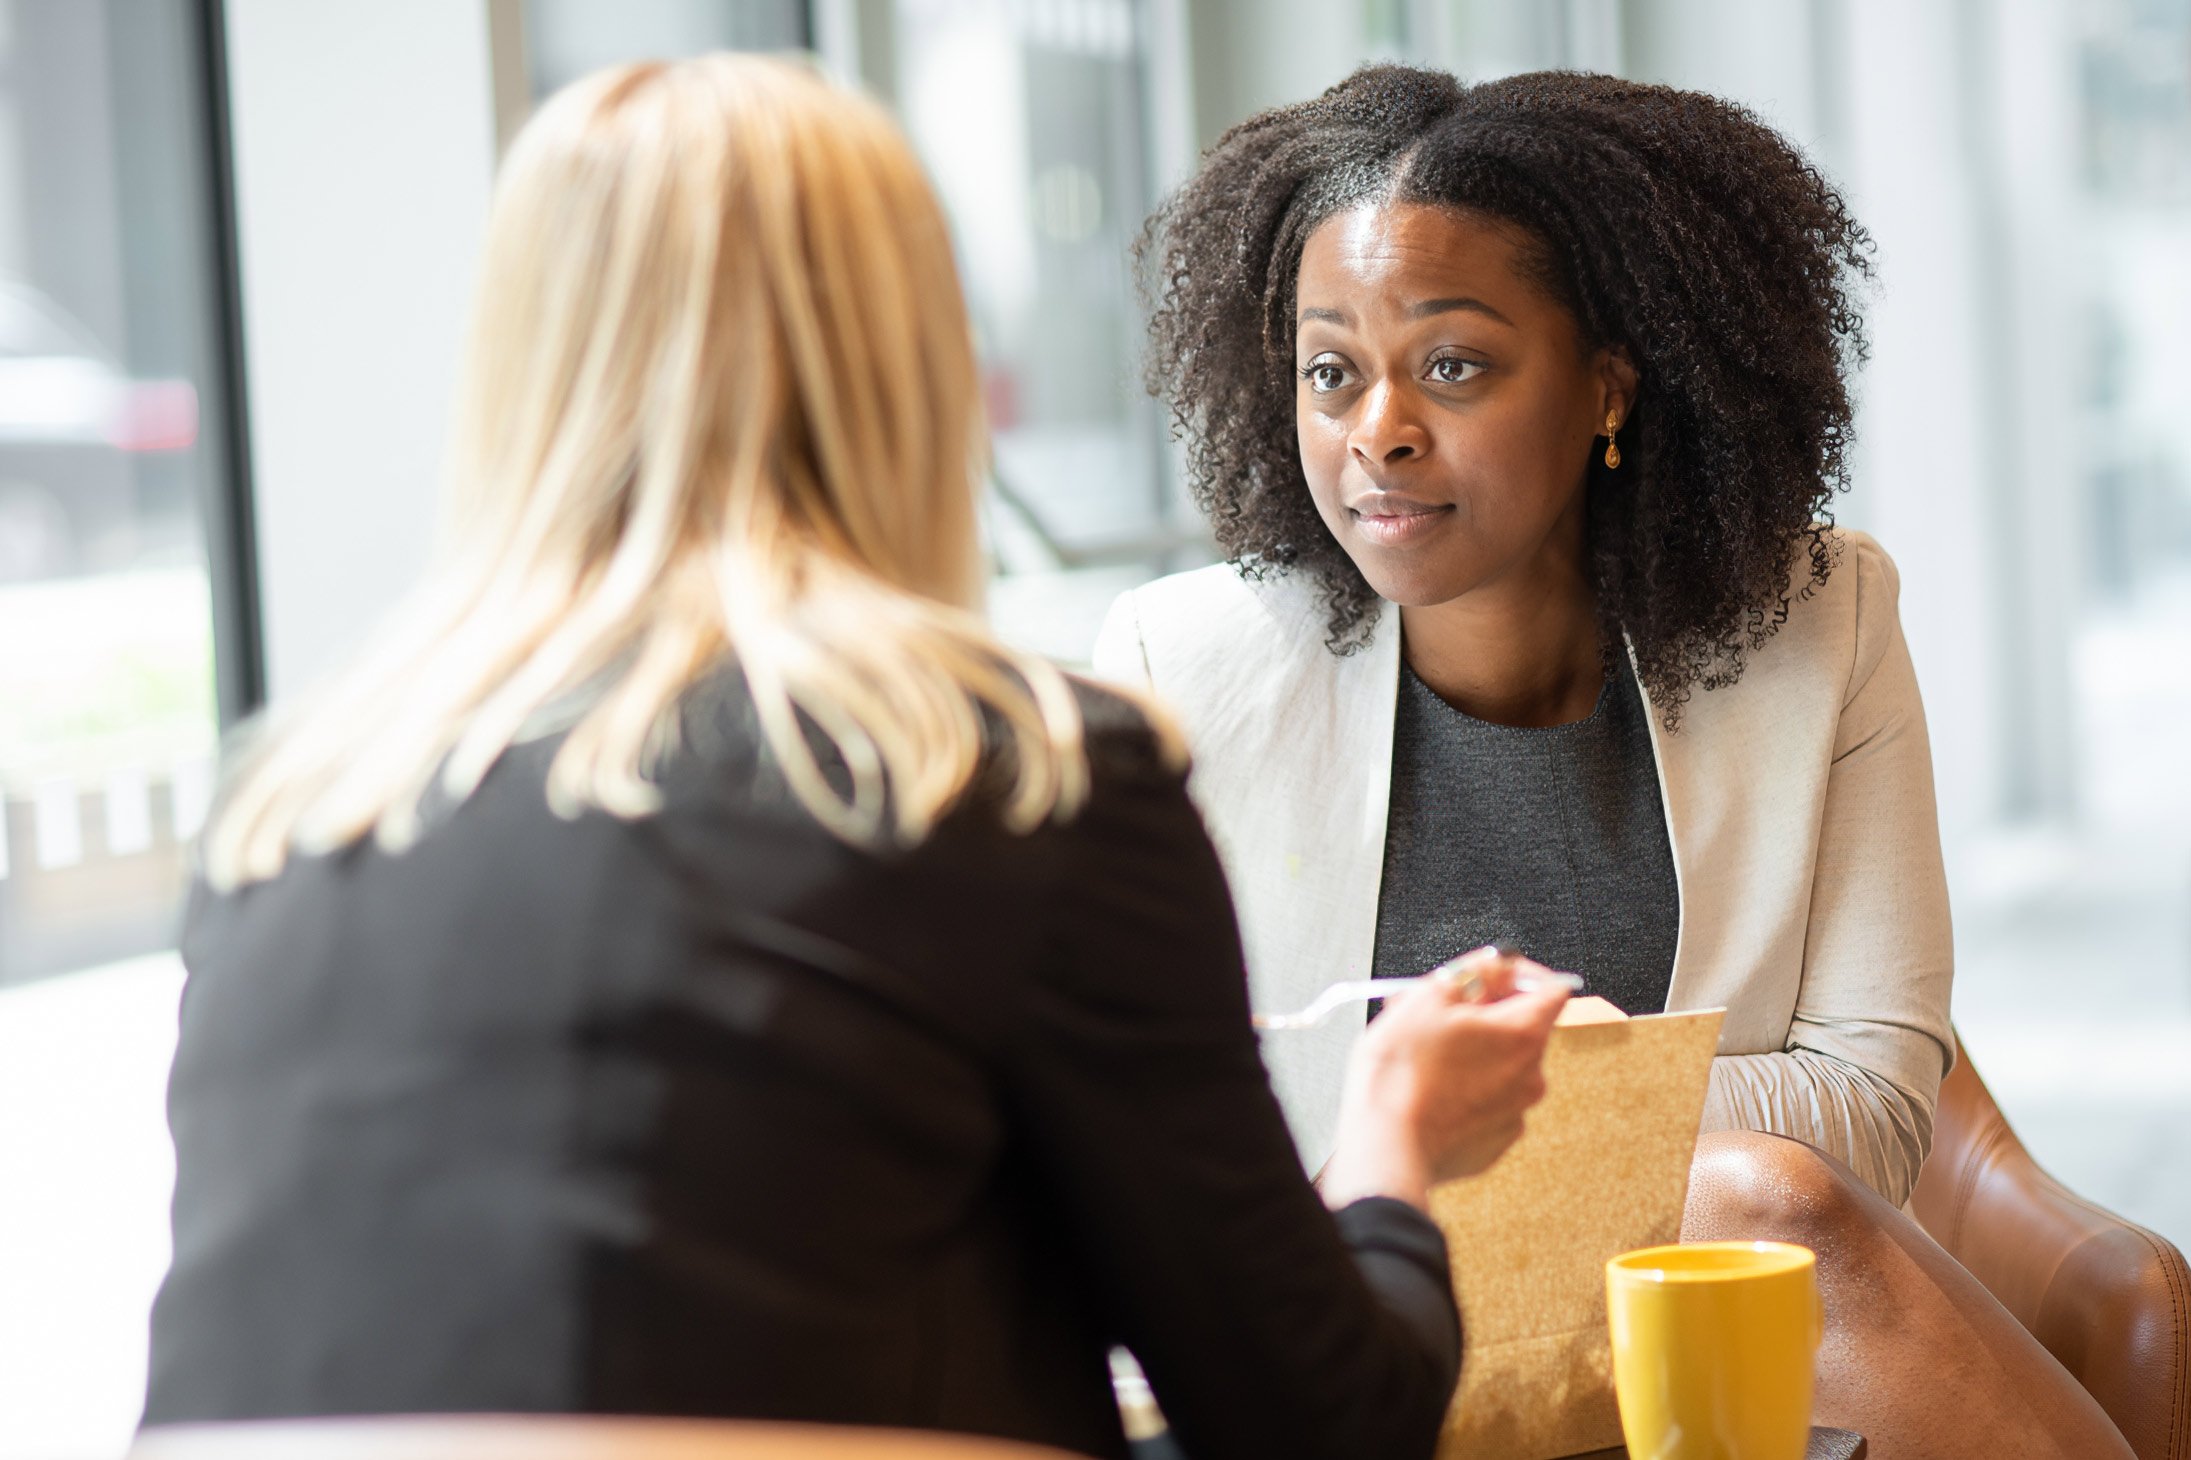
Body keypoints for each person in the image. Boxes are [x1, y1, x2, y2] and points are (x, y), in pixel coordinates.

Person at [138, 56, 1570, 1460]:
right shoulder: (1009, 778)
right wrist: (1395, 1133)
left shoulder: (293, 800)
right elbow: (1320, 1420)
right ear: (913, 360)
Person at [1098, 65, 2133, 1457]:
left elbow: (1875, 1121)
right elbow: (1164, 1160)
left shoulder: (1821, 625)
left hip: (1721, 1355)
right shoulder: (1178, 669)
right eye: (1330, 371)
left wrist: (1528, 1086)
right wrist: (1594, 1123)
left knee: (1779, 1207)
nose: (1378, 430)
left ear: (1609, 386)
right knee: (1766, 1200)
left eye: (1453, 364)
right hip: (1364, 1361)